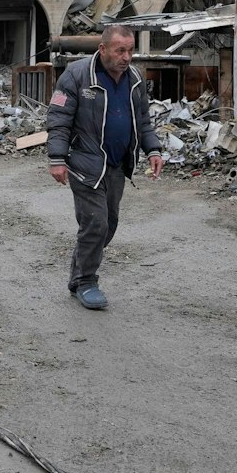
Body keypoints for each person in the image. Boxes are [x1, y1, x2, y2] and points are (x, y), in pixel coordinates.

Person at [44, 24, 163, 310]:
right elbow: (58, 119)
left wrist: (153, 149)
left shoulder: (134, 79)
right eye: (120, 50)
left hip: (117, 164)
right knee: (95, 223)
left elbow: (143, 121)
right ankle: (86, 281)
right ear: (103, 49)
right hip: (85, 163)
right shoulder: (76, 76)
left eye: (130, 50)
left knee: (108, 225)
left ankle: (79, 271)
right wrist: (57, 159)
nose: (126, 57)